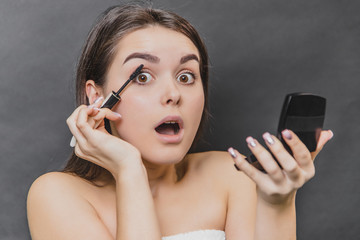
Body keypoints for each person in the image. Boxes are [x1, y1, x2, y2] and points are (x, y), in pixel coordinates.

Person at [26, 4, 333, 240]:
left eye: (186, 76)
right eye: (142, 77)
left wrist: (278, 202)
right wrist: (129, 171)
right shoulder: (56, 196)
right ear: (96, 96)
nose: (173, 94)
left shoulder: (232, 174)